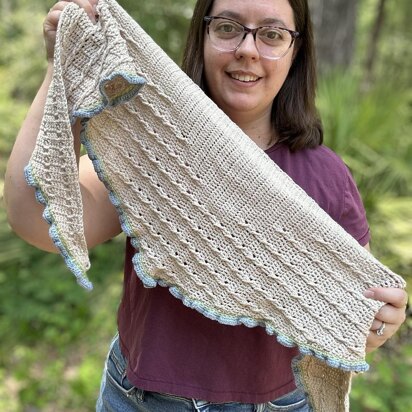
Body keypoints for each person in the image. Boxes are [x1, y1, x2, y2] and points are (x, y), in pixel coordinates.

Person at [4, 0, 408, 411]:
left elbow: (350, 324)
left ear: (296, 52)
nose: (248, 50)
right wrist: (62, 66)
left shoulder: (327, 178)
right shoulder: (151, 148)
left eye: (271, 34)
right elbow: (33, 218)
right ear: (202, 36)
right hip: (139, 401)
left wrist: (377, 324)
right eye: (228, 28)